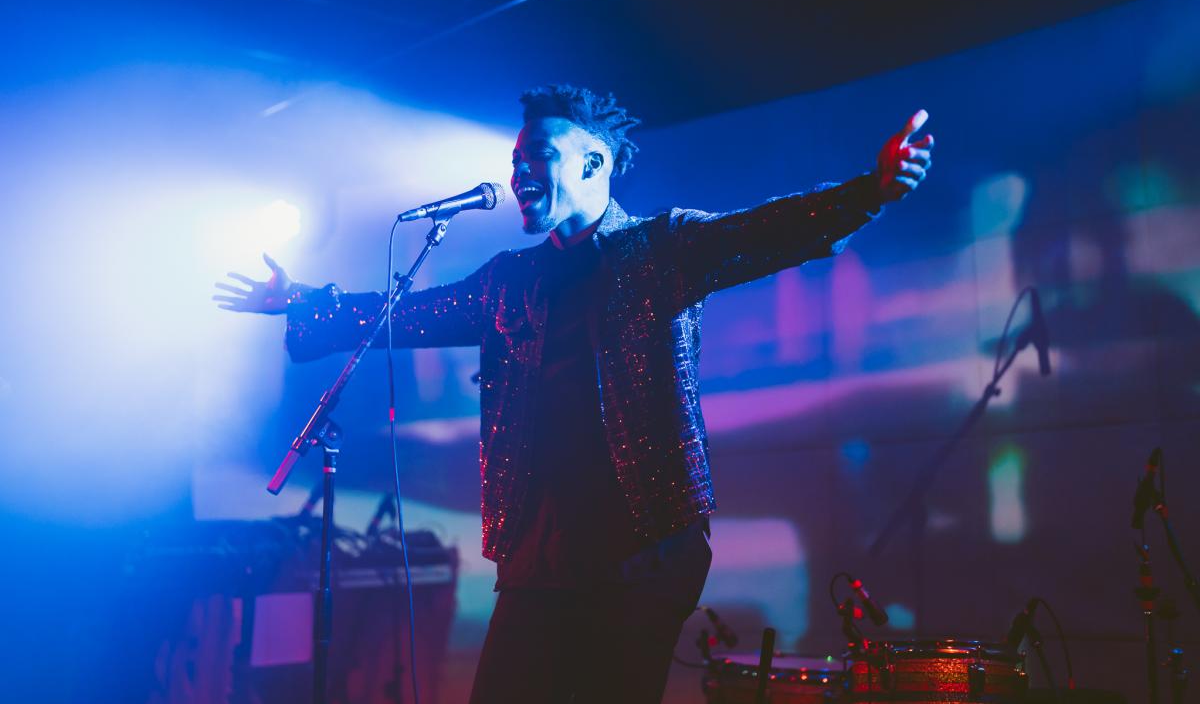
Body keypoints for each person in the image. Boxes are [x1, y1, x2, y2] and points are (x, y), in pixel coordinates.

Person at [214, 85, 934, 703]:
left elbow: (768, 232)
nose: (521, 169)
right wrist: (302, 299)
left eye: (540, 155)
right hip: (540, 552)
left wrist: (870, 191)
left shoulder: (661, 248)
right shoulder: (509, 280)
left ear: (596, 162)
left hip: (644, 548)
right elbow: (406, 311)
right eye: (516, 159)